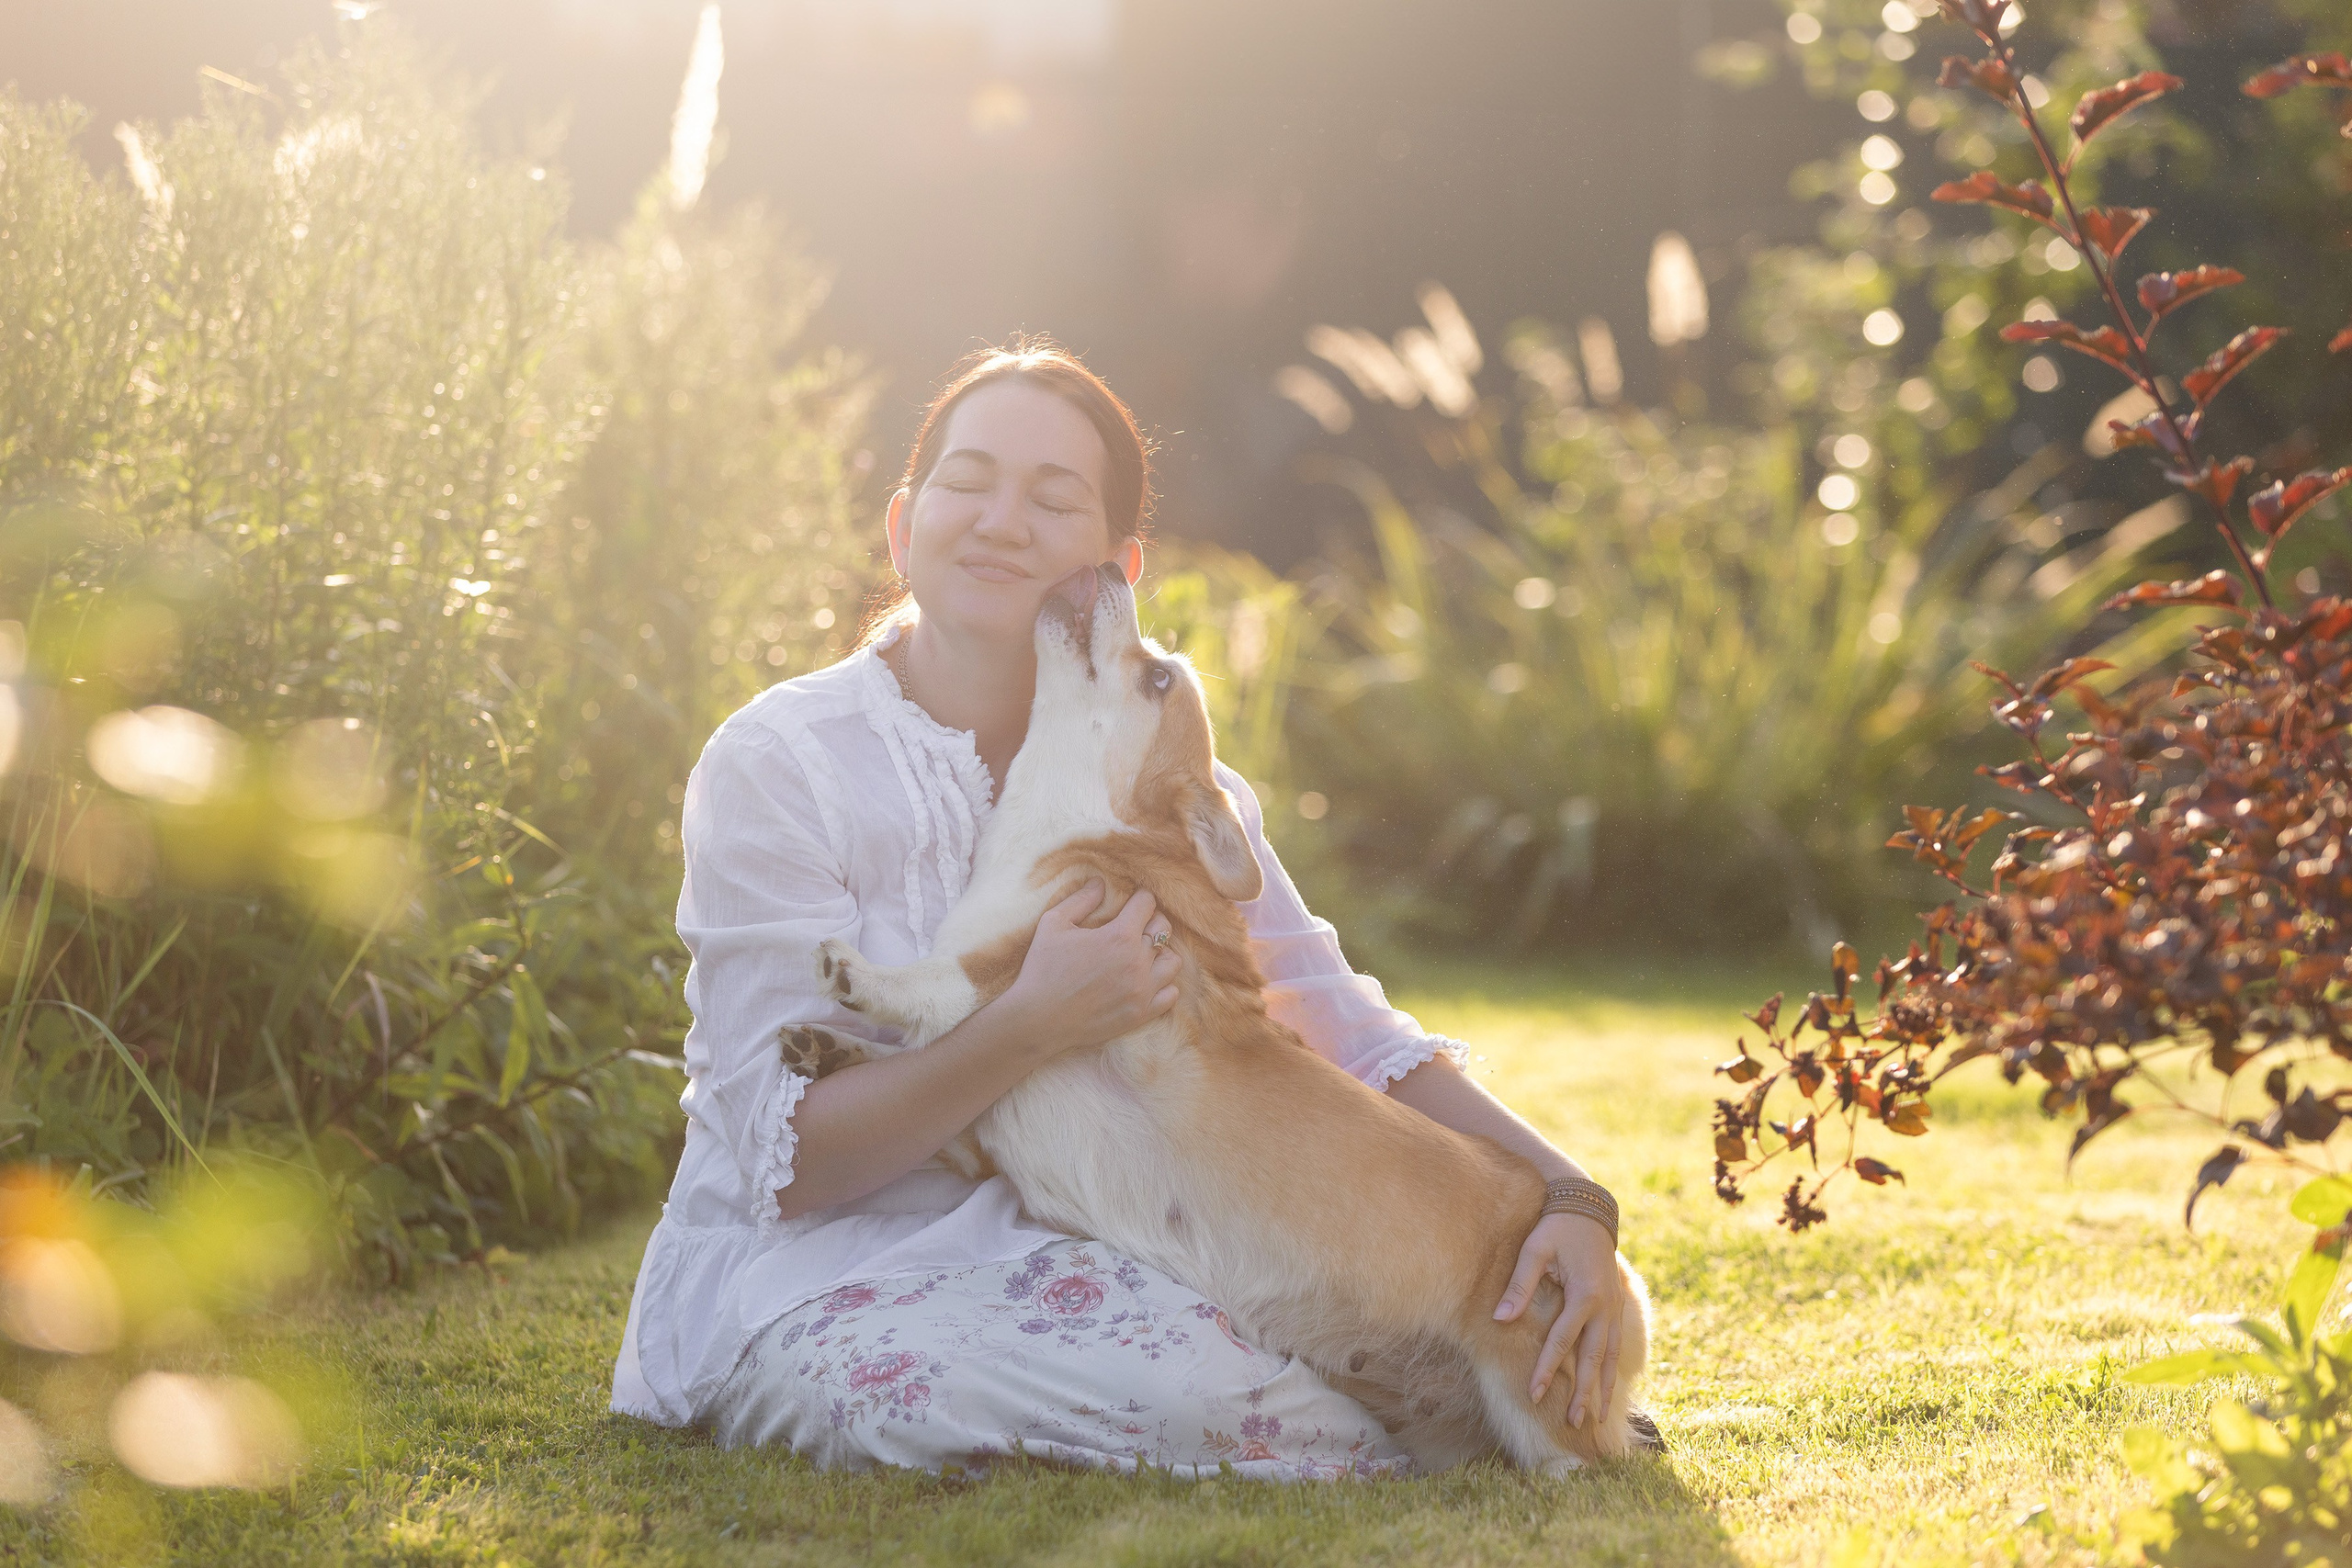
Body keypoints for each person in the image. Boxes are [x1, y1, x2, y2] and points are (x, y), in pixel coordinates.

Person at [610, 341, 1634, 1478]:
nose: (1001, 522)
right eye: (966, 482)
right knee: (909, 1395)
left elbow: (1339, 1025)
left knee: (1203, 1375)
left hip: (1075, 1251)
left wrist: (1572, 1197)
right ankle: (1393, 1432)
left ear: (1115, 570)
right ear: (903, 527)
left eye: (1053, 500)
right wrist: (1032, 1019)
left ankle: (1417, 1413)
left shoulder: (1168, 786)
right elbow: (791, 1159)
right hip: (823, 1256)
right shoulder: (781, 762)